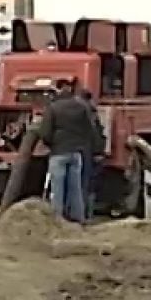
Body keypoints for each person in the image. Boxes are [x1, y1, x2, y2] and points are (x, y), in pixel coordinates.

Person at [38, 78, 96, 223]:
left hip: (58, 152)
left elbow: (45, 132)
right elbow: (89, 129)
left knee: (57, 188)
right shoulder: (81, 106)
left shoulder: (53, 108)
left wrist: (50, 143)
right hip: (76, 153)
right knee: (75, 188)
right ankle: (78, 218)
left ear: (58, 90)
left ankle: (58, 220)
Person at [76, 89, 106, 220]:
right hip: (89, 150)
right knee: (88, 184)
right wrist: (99, 151)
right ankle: (87, 214)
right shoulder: (91, 113)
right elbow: (96, 133)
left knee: (78, 182)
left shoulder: (76, 110)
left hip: (75, 149)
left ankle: (77, 214)